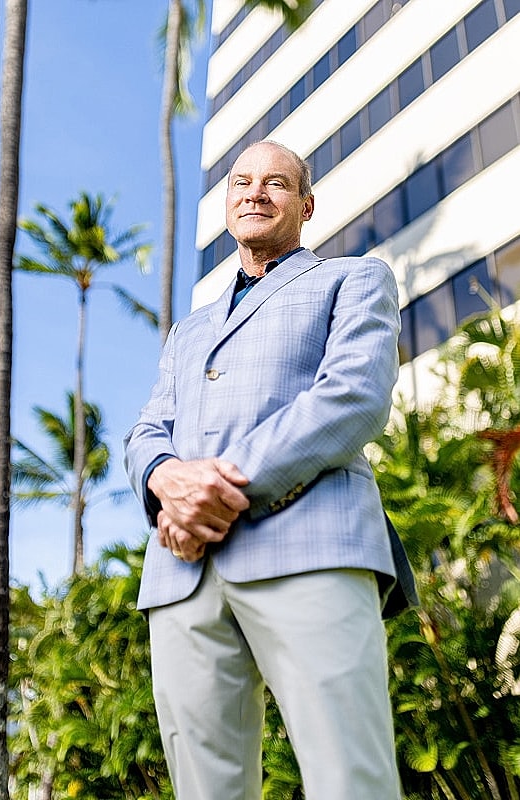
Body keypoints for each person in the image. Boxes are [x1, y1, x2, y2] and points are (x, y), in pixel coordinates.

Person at [124, 140, 415, 800]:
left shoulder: (353, 278)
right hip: (181, 573)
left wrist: (214, 492)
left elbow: (351, 398)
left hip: (311, 545)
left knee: (350, 778)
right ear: (227, 203)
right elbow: (148, 431)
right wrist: (167, 481)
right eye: (241, 182)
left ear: (305, 205)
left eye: (276, 183)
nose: (255, 192)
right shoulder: (187, 331)